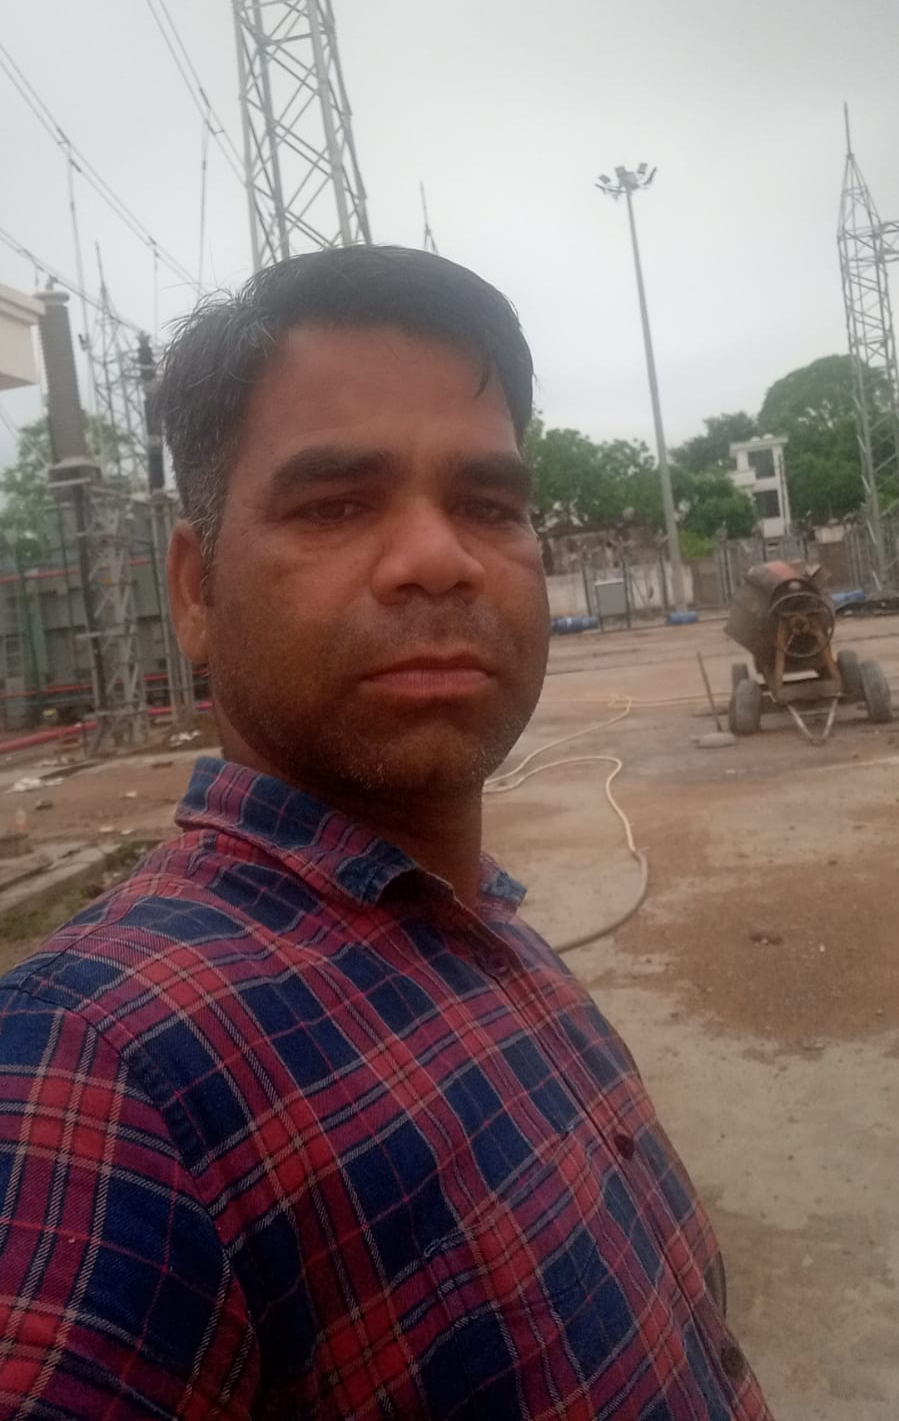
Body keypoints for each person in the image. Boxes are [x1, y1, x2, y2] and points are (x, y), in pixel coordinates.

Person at [0, 247, 773, 1420]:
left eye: (488, 505)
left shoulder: (486, 932)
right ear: (195, 590)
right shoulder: (105, 1069)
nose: (437, 559)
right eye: (336, 505)